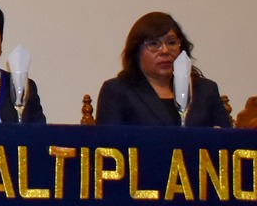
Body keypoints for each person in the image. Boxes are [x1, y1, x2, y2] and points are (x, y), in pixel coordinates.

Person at [93, 11, 232, 127]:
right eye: (154, 44)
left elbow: (226, 144)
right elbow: (109, 146)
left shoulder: (205, 91)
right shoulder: (117, 91)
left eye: (171, 43)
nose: (165, 51)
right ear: (136, 51)